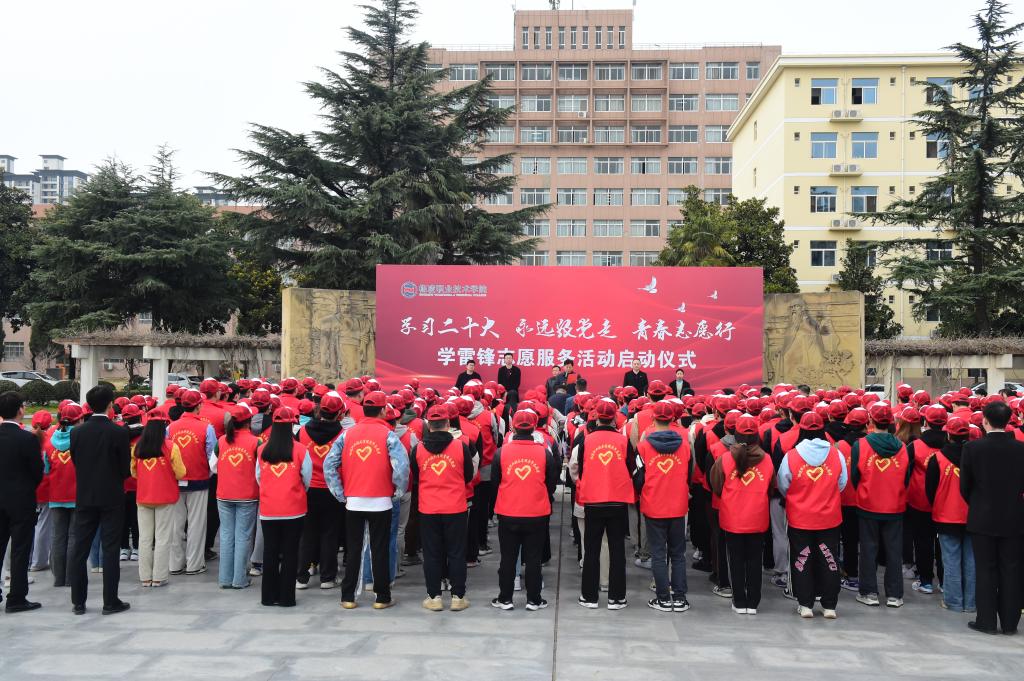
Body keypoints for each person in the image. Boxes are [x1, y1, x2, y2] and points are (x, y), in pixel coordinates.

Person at [324, 390, 410, 610]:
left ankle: (348, 596)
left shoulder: (347, 434)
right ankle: (382, 597)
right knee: (379, 548)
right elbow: (401, 467)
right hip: (381, 501)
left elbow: (329, 464)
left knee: (354, 549)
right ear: (383, 411)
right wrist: (397, 491)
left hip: (353, 501)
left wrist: (339, 493)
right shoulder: (388, 435)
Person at [959, 401, 1024, 635]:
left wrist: (977, 503)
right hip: (1014, 516)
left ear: (984, 421)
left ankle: (986, 620)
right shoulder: (1020, 449)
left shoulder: (972, 448)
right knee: (1011, 569)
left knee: (985, 569)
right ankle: (1009, 623)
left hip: (982, 516)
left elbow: (965, 486)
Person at [68, 384, 132, 616]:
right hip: (111, 495)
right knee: (110, 548)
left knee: (80, 549)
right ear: (110, 404)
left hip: (85, 495)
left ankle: (78, 601)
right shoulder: (119, 432)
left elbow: (76, 461)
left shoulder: (77, 432)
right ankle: (110, 601)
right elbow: (125, 469)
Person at [778, 411, 847, 619]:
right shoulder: (836, 454)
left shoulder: (791, 455)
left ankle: (805, 604)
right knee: (829, 559)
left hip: (800, 518)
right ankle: (829, 605)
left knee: (802, 559)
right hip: (829, 517)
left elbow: (783, 484)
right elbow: (842, 482)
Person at [491, 407, 558, 611]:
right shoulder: (544, 452)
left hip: (508, 511)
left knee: (508, 557)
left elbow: (495, 482)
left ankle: (505, 598)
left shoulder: (501, 452)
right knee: (533, 558)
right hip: (536, 512)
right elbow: (551, 483)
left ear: (513, 428)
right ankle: (534, 599)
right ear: (534, 427)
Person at [413, 405, 475, 611]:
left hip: (428, 508)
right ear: (448, 424)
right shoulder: (460, 447)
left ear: (429, 425)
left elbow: (416, 476)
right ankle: (458, 597)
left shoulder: (418, 449)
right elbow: (468, 475)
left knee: (432, 554)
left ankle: (434, 597)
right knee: (456, 553)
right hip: (455, 507)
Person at [711, 413, 773, 615]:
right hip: (758, 517)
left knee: (735, 560)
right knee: (755, 560)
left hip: (732, 517)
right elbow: (772, 487)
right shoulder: (767, 460)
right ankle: (753, 603)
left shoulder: (725, 459)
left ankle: (739, 601)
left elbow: (716, 486)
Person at [851, 403, 911, 609]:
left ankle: (869, 592)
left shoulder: (861, 445)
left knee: (868, 549)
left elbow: (855, 476)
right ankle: (894, 595)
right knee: (894, 551)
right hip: (894, 504)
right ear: (891, 423)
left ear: (871, 420)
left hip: (868, 504)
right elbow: (906, 477)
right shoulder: (902, 447)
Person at [635, 401, 692, 613]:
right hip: (678, 504)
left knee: (658, 554)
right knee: (678, 554)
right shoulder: (684, 446)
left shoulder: (643, 447)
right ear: (673, 419)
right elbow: (689, 474)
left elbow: (638, 478)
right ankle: (680, 597)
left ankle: (663, 598)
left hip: (653, 504)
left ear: (653, 418)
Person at [577, 398, 634, 610]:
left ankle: (589, 596)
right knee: (617, 549)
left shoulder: (587, 440)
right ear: (614, 417)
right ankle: (617, 597)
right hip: (618, 501)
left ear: (597, 417)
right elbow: (632, 468)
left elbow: (581, 469)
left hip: (593, 501)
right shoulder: (623, 441)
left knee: (591, 550)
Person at [255, 407, 311, 607]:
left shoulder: (262, 450)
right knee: (290, 552)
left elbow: (259, 477)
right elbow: (306, 478)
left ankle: (268, 597)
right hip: (294, 509)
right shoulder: (301, 450)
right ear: (291, 426)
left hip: (268, 509)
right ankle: (287, 598)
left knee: (270, 552)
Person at [296, 392, 346, 590]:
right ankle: (327, 577)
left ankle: (302, 576)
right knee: (330, 535)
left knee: (307, 534)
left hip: (308, 489)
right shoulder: (343, 435)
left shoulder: (302, 432)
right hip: (332, 490)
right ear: (339, 413)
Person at [131, 407, 185, 587]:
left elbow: (134, 472)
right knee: (163, 538)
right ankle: (159, 577)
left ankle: (145, 577)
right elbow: (180, 472)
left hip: (143, 497)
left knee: (145, 538)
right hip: (165, 497)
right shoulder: (171, 447)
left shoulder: (138, 447)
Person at [0, 391, 44, 613]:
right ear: (20, 410)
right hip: (21, 500)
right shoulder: (27, 439)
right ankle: (16, 597)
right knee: (20, 549)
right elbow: (37, 471)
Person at [925, 417, 974, 613]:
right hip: (972, 515)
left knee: (951, 560)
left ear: (948, 435)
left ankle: (953, 601)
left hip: (946, 515)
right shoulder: (975, 457)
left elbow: (930, 490)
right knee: (971, 561)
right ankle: (971, 603)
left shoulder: (937, 459)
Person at [167, 389, 216, 576]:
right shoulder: (207, 428)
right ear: (199, 405)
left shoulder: (171, 427)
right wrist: (207, 474)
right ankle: (194, 564)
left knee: (175, 524)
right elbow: (212, 456)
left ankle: (175, 564)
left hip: (175, 481)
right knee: (197, 524)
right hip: (199, 480)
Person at [216, 404, 261, 589]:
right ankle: (239, 579)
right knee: (243, 536)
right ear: (248, 422)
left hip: (224, 493)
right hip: (247, 495)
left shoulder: (221, 441)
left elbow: (214, 464)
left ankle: (225, 578)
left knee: (226, 535)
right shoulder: (256, 442)